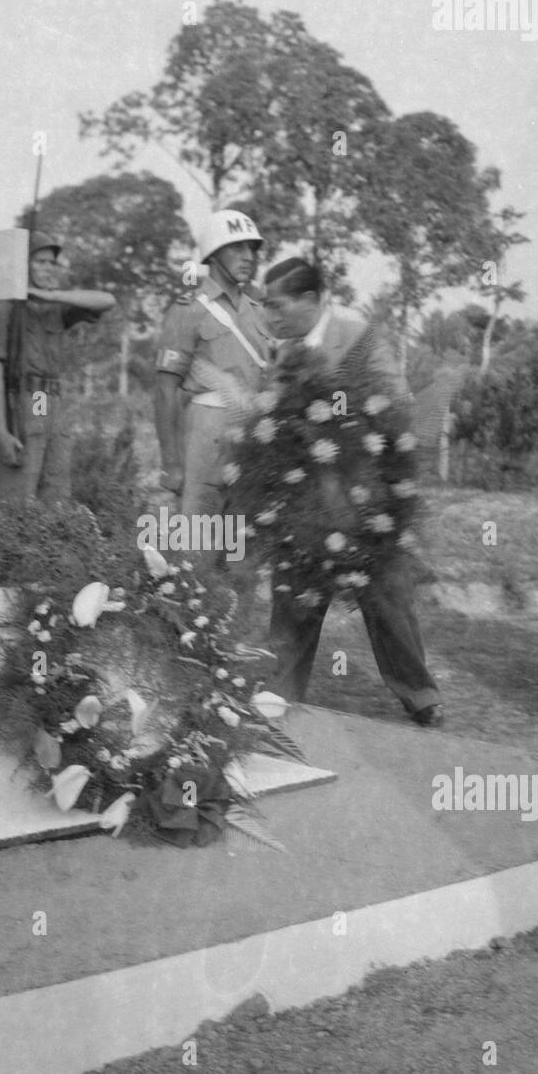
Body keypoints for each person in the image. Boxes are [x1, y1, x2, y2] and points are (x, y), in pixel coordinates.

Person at [260, 257, 443, 726]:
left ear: (310, 300)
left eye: (277, 306)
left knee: (386, 597)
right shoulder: (282, 352)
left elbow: (395, 404)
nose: (270, 317)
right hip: (305, 499)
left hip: (363, 496)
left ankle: (420, 695)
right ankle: (277, 698)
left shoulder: (360, 338)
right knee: (295, 596)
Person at [154, 210, 276, 539]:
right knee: (199, 539)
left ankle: (234, 589)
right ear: (213, 253)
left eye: (252, 249)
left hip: (251, 435)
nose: (248, 257)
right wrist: (171, 464)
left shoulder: (259, 312)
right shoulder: (189, 309)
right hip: (206, 431)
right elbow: (165, 390)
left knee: (240, 545)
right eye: (236, 248)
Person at [0, 230, 115, 504]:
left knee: (55, 491)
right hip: (23, 400)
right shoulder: (3, 305)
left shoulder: (56, 306)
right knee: (18, 491)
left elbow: (106, 301)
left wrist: (52, 297)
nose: (48, 269)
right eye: (39, 262)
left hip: (53, 401)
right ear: (23, 264)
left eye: (52, 263)